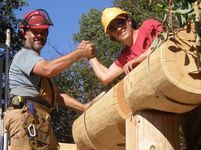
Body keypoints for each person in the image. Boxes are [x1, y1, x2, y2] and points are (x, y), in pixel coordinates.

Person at [4, 9, 95, 150]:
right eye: (35, 31)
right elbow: (48, 69)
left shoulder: (37, 64)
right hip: (25, 118)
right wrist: (80, 53)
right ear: (24, 33)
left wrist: (84, 107)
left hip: (39, 120)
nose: (40, 35)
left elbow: (57, 96)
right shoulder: (24, 56)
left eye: (44, 32)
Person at [88, 7, 163, 84]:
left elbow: (166, 39)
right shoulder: (125, 56)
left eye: (120, 23)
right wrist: (90, 56)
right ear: (112, 35)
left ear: (129, 21)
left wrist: (140, 58)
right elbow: (105, 77)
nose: (119, 29)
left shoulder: (148, 26)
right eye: (113, 28)